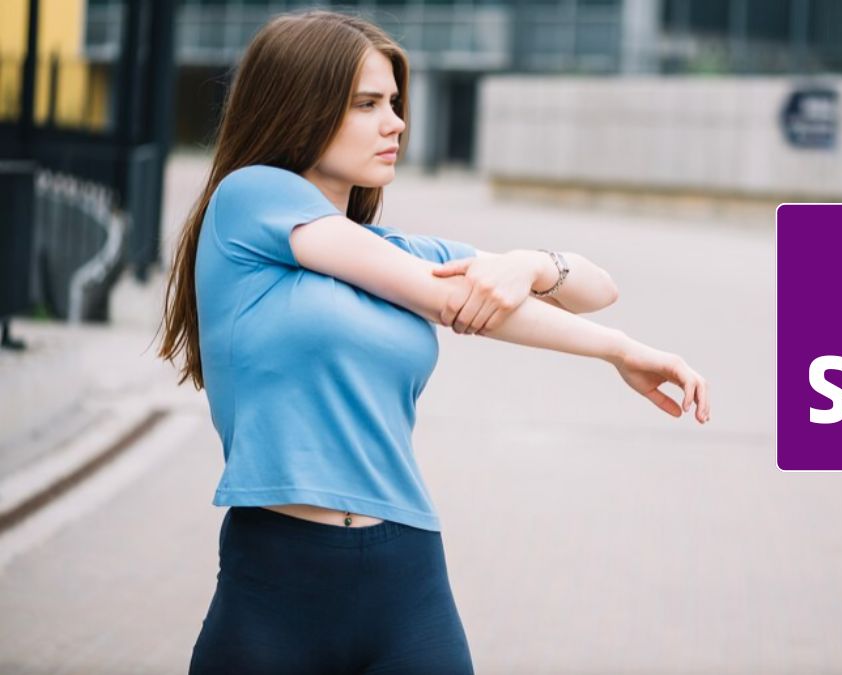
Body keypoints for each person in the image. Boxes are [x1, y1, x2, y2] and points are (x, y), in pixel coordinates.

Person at [157, 9, 709, 675]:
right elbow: (453, 299)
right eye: (367, 104)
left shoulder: (398, 252)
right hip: (277, 580)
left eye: (394, 102)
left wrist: (604, 333)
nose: (395, 123)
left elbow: (598, 287)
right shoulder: (250, 200)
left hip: (406, 574)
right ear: (299, 107)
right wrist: (511, 273)